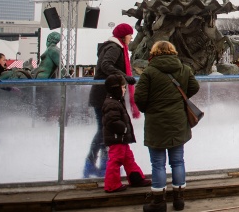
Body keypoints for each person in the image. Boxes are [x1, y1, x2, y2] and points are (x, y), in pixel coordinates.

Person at [134, 41, 200, 212]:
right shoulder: (184, 69)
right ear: (173, 51)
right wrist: (180, 99)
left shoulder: (149, 72)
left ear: (154, 53)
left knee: (158, 163)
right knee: (177, 161)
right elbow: (195, 86)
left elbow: (139, 97)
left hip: (156, 122)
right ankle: (179, 200)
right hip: (178, 120)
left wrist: (148, 108)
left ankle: (158, 202)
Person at [84, 23, 139, 178]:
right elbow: (106, 65)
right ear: (123, 36)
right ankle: (94, 163)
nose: (131, 38)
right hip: (103, 95)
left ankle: (101, 163)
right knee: (104, 130)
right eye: (129, 35)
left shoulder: (115, 47)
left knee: (105, 130)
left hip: (105, 95)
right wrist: (124, 76)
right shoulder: (114, 48)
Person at [101, 75, 151, 193]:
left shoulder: (116, 101)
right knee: (116, 160)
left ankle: (136, 178)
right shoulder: (112, 103)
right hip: (117, 138)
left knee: (128, 158)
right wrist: (123, 129)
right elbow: (111, 121)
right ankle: (111, 184)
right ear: (116, 88)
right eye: (123, 87)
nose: (125, 90)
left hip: (121, 138)